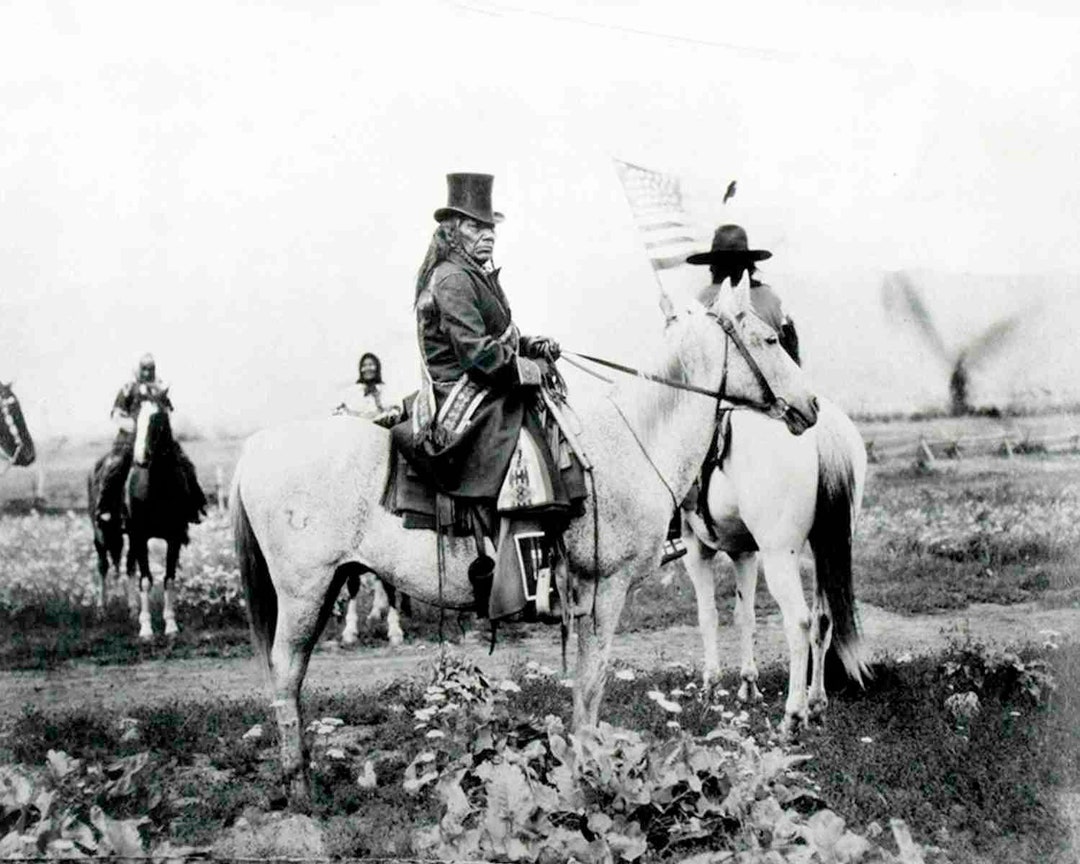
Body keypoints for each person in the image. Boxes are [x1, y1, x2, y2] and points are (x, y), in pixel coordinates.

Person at [391, 173, 585, 617]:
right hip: (458, 393)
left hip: (481, 382)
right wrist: (527, 369)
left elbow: (500, 336)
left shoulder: (475, 275)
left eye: (491, 228)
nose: (487, 236)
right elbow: (476, 353)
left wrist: (531, 345)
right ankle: (516, 583)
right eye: (477, 228)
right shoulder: (451, 278)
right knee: (526, 443)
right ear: (451, 230)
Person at [94, 354, 206, 524]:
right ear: (139, 369)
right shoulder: (128, 388)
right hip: (130, 438)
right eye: (144, 369)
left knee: (185, 464)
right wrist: (133, 425)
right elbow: (116, 414)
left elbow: (168, 410)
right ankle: (105, 507)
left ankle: (193, 506)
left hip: (156, 438)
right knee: (115, 465)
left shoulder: (160, 388)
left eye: (151, 369)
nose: (147, 373)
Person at [687, 224, 800, 364]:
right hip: (771, 379)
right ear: (748, 264)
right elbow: (792, 355)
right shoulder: (772, 299)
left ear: (714, 265)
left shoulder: (701, 301)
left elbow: (691, 358)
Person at [332, 352, 402, 427]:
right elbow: (341, 409)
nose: (367, 368)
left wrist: (378, 402)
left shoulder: (385, 389)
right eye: (364, 365)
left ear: (377, 367)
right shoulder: (354, 390)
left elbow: (395, 411)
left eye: (371, 365)